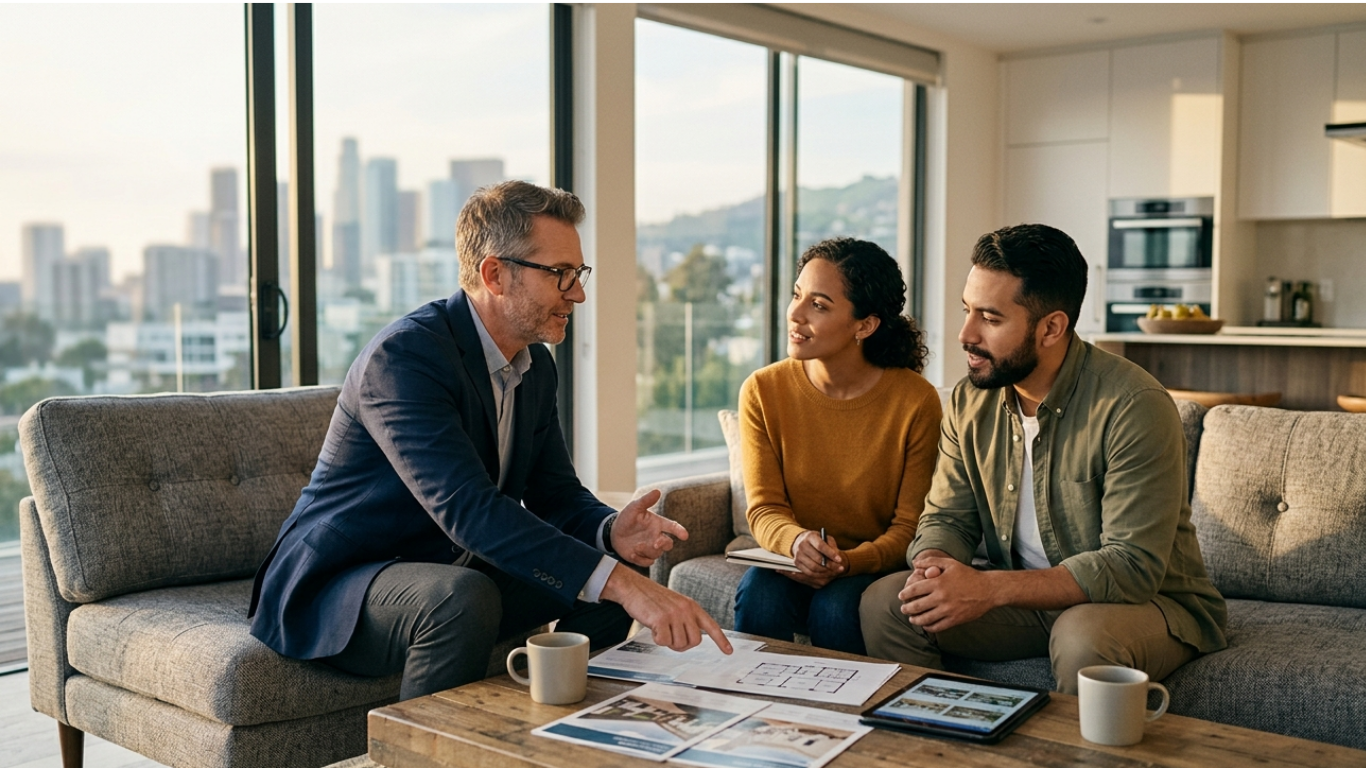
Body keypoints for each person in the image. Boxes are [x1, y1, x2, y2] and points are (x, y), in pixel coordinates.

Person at [249, 180, 730, 701]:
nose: (578, 293)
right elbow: (469, 510)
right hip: (343, 583)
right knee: (466, 597)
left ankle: (573, 734)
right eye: (560, 275)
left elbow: (556, 495)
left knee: (610, 571)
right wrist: (625, 585)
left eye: (579, 273)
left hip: (447, 566)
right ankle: (426, 756)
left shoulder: (535, 366)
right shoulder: (405, 359)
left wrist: (611, 532)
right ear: (495, 274)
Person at [858, 223, 1227, 694]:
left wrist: (989, 589)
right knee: (889, 602)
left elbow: (1131, 566)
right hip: (1027, 599)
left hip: (1148, 604)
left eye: (989, 319)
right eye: (967, 310)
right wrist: (935, 567)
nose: (964, 333)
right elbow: (947, 517)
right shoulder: (972, 400)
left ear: (1052, 327)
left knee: (1082, 636)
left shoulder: (1133, 405)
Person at [733, 238, 942, 654]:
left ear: (865, 325)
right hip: (791, 557)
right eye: (797, 295)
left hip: (870, 564)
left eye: (819, 305)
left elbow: (910, 528)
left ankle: (843, 715)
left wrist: (850, 562)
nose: (795, 314)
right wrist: (796, 543)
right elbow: (764, 508)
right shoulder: (762, 390)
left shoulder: (916, 401)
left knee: (836, 609)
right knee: (760, 593)